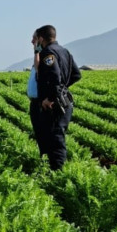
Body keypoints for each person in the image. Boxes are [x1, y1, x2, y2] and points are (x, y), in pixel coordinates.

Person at [31, 25, 81, 170]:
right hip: (63, 102)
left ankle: (58, 174)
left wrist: (51, 97)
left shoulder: (48, 53)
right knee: (54, 137)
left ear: (41, 38)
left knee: (55, 139)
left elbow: (54, 77)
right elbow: (76, 75)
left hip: (55, 105)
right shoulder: (64, 51)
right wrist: (63, 88)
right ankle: (53, 170)